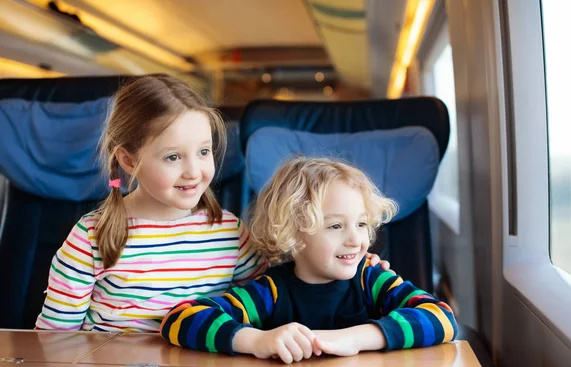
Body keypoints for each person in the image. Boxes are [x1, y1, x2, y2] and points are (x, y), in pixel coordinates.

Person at [34, 75, 387, 332]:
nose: (194, 171)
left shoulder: (229, 232)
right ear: (128, 161)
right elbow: (55, 342)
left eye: (204, 152)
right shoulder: (91, 237)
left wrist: (355, 265)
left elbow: (279, 293)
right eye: (173, 157)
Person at [160, 156, 457, 364]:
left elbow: (443, 318)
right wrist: (256, 342)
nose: (356, 240)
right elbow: (180, 319)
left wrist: (357, 338)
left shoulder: (371, 279)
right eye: (336, 226)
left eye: (362, 224)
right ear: (294, 235)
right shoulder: (270, 292)